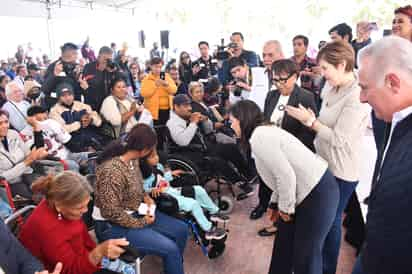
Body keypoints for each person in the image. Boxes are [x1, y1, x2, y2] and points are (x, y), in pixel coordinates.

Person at [286, 40, 369, 274]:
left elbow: (340, 140)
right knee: (325, 221)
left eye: (325, 69)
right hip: (323, 163)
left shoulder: (357, 96)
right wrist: (313, 118)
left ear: (342, 65)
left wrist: (310, 122)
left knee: (329, 222)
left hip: (342, 170)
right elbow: (325, 122)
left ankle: (325, 268)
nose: (321, 74)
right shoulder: (331, 87)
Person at [229, 100, 338, 274]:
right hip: (304, 190)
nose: (231, 125)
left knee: (306, 257)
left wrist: (285, 209)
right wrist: (274, 205)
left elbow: (285, 176)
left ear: (242, 120)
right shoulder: (261, 133)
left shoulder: (259, 137)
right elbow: (278, 176)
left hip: (317, 192)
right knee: (284, 244)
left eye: (232, 121)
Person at [350, 35, 412, 274]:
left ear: (393, 83)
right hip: (374, 251)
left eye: (365, 88)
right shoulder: (389, 118)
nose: (361, 98)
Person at [93, 124, 188, 274]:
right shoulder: (111, 172)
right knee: (171, 249)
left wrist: (146, 198)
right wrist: (143, 222)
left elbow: (137, 184)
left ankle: (172, 262)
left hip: (133, 212)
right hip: (111, 225)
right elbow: (111, 212)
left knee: (182, 229)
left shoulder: (132, 159)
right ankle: (172, 259)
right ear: (144, 150)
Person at [252, 59, 318, 237]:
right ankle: (269, 212)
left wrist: (289, 149)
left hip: (293, 153)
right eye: (275, 80)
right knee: (270, 184)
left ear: (295, 77)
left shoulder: (305, 97)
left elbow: (310, 131)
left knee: (289, 190)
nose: (279, 84)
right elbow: (266, 119)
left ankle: (285, 223)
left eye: (283, 80)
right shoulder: (271, 96)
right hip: (271, 151)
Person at [19, 171, 129, 274]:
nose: (85, 210)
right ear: (59, 206)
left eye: (87, 204)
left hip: (82, 260)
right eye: (80, 207)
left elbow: (83, 238)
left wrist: (98, 254)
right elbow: (69, 270)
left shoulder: (63, 204)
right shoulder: (46, 228)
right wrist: (98, 253)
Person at [166, 94, 254, 198]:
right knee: (216, 160)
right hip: (190, 155)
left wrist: (206, 120)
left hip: (204, 148)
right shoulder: (172, 122)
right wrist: (193, 123)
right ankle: (241, 183)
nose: (189, 108)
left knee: (230, 148)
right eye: (185, 106)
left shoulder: (186, 116)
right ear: (176, 107)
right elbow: (183, 142)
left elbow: (209, 131)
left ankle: (248, 175)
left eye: (189, 105)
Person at [141, 149, 228, 239]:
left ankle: (214, 212)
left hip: (173, 191)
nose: (156, 158)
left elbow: (163, 178)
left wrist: (171, 174)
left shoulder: (158, 167)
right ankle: (209, 230)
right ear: (144, 161)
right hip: (167, 198)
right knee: (194, 204)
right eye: (152, 157)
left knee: (199, 190)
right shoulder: (144, 177)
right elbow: (143, 191)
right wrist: (151, 190)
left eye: (156, 155)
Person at [0, 109, 48, 198]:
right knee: (38, 198)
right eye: (0, 123)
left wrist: (37, 155)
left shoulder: (13, 134)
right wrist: (26, 163)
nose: (5, 126)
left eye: (6, 122)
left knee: (50, 191)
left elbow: (28, 154)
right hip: (12, 182)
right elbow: (2, 177)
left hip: (28, 173)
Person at [49, 82, 105, 153]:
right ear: (59, 97)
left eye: (70, 94)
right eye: (63, 96)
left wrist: (91, 120)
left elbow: (98, 122)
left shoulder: (82, 106)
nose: (68, 98)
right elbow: (61, 130)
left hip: (91, 138)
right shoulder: (54, 111)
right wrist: (79, 124)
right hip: (72, 144)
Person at [42, 43, 84, 109]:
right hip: (57, 108)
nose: (77, 56)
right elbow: (45, 89)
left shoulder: (77, 66)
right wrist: (54, 74)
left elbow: (80, 89)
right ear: (68, 54)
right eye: (75, 53)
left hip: (74, 107)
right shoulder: (54, 66)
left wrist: (80, 75)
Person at [83, 46, 124, 112]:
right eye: (105, 58)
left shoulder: (113, 66)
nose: (107, 61)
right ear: (98, 57)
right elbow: (86, 84)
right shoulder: (89, 67)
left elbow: (122, 80)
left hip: (109, 103)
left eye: (109, 59)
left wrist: (114, 72)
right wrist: (100, 70)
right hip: (92, 104)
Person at [141, 57, 177, 125]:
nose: (158, 69)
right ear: (151, 66)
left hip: (168, 109)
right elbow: (144, 94)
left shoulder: (166, 76)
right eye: (156, 67)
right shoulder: (146, 79)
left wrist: (167, 85)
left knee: (167, 130)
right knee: (157, 131)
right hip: (153, 111)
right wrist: (155, 85)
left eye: (160, 67)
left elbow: (174, 90)